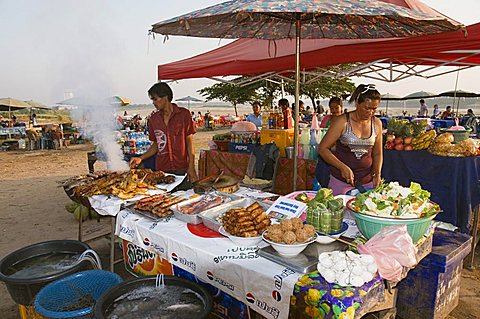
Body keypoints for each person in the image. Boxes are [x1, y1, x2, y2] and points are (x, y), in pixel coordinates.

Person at [318, 84, 383, 196]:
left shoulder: (377, 123)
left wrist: (377, 174)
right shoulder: (342, 121)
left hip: (367, 183)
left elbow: (377, 153)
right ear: (357, 103)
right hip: (340, 182)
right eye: (367, 108)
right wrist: (342, 167)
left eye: (374, 109)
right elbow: (323, 149)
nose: (370, 112)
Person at [130, 82, 198, 187]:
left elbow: (189, 141)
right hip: (162, 169)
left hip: (182, 168)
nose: (153, 103)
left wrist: (191, 167)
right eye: (152, 100)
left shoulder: (184, 115)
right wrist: (141, 158)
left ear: (165, 97)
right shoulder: (153, 119)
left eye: (155, 99)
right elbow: (157, 144)